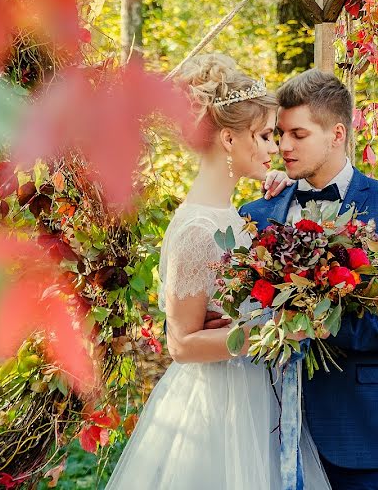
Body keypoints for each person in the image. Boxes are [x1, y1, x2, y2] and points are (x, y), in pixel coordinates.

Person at [104, 54, 331, 490]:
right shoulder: (196, 230)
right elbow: (182, 343)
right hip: (215, 408)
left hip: (252, 397)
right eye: (264, 136)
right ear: (229, 140)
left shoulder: (231, 217)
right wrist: (272, 333)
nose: (274, 148)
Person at [237, 69, 378, 490]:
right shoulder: (258, 213)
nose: (284, 146)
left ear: (336, 134)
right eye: (279, 134)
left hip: (360, 426)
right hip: (266, 424)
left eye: (298, 133)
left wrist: (325, 324)